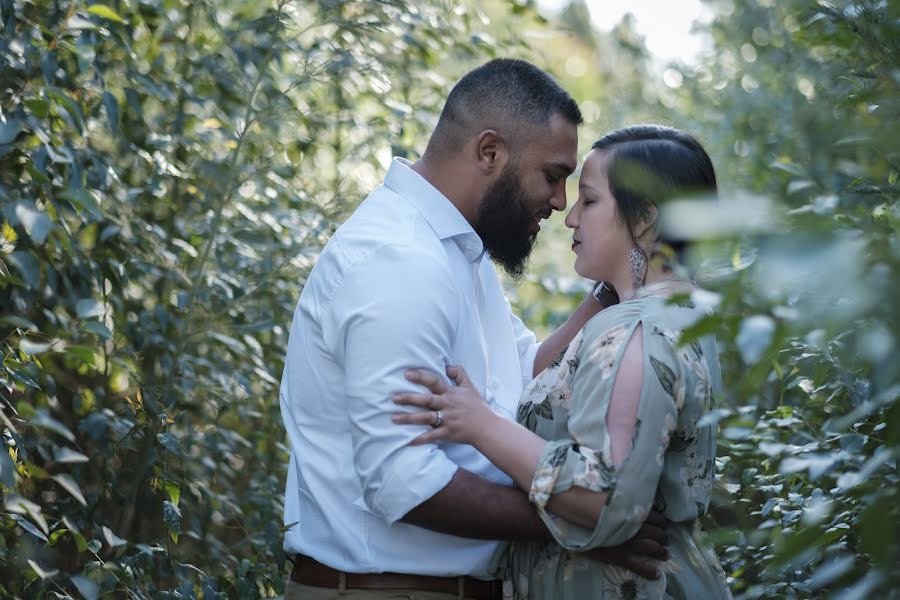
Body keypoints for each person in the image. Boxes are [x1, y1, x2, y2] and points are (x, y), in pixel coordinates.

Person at [278, 60, 667, 600]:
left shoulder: (455, 251)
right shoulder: (398, 261)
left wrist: (616, 279)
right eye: (553, 176)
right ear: (490, 152)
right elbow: (405, 484)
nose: (560, 203)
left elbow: (527, 372)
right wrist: (579, 526)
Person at [393, 124, 734, 599]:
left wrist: (479, 425)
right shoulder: (681, 314)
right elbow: (548, 376)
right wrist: (612, 286)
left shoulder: (634, 334)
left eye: (589, 201)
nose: (570, 218)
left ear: (643, 219)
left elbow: (605, 498)